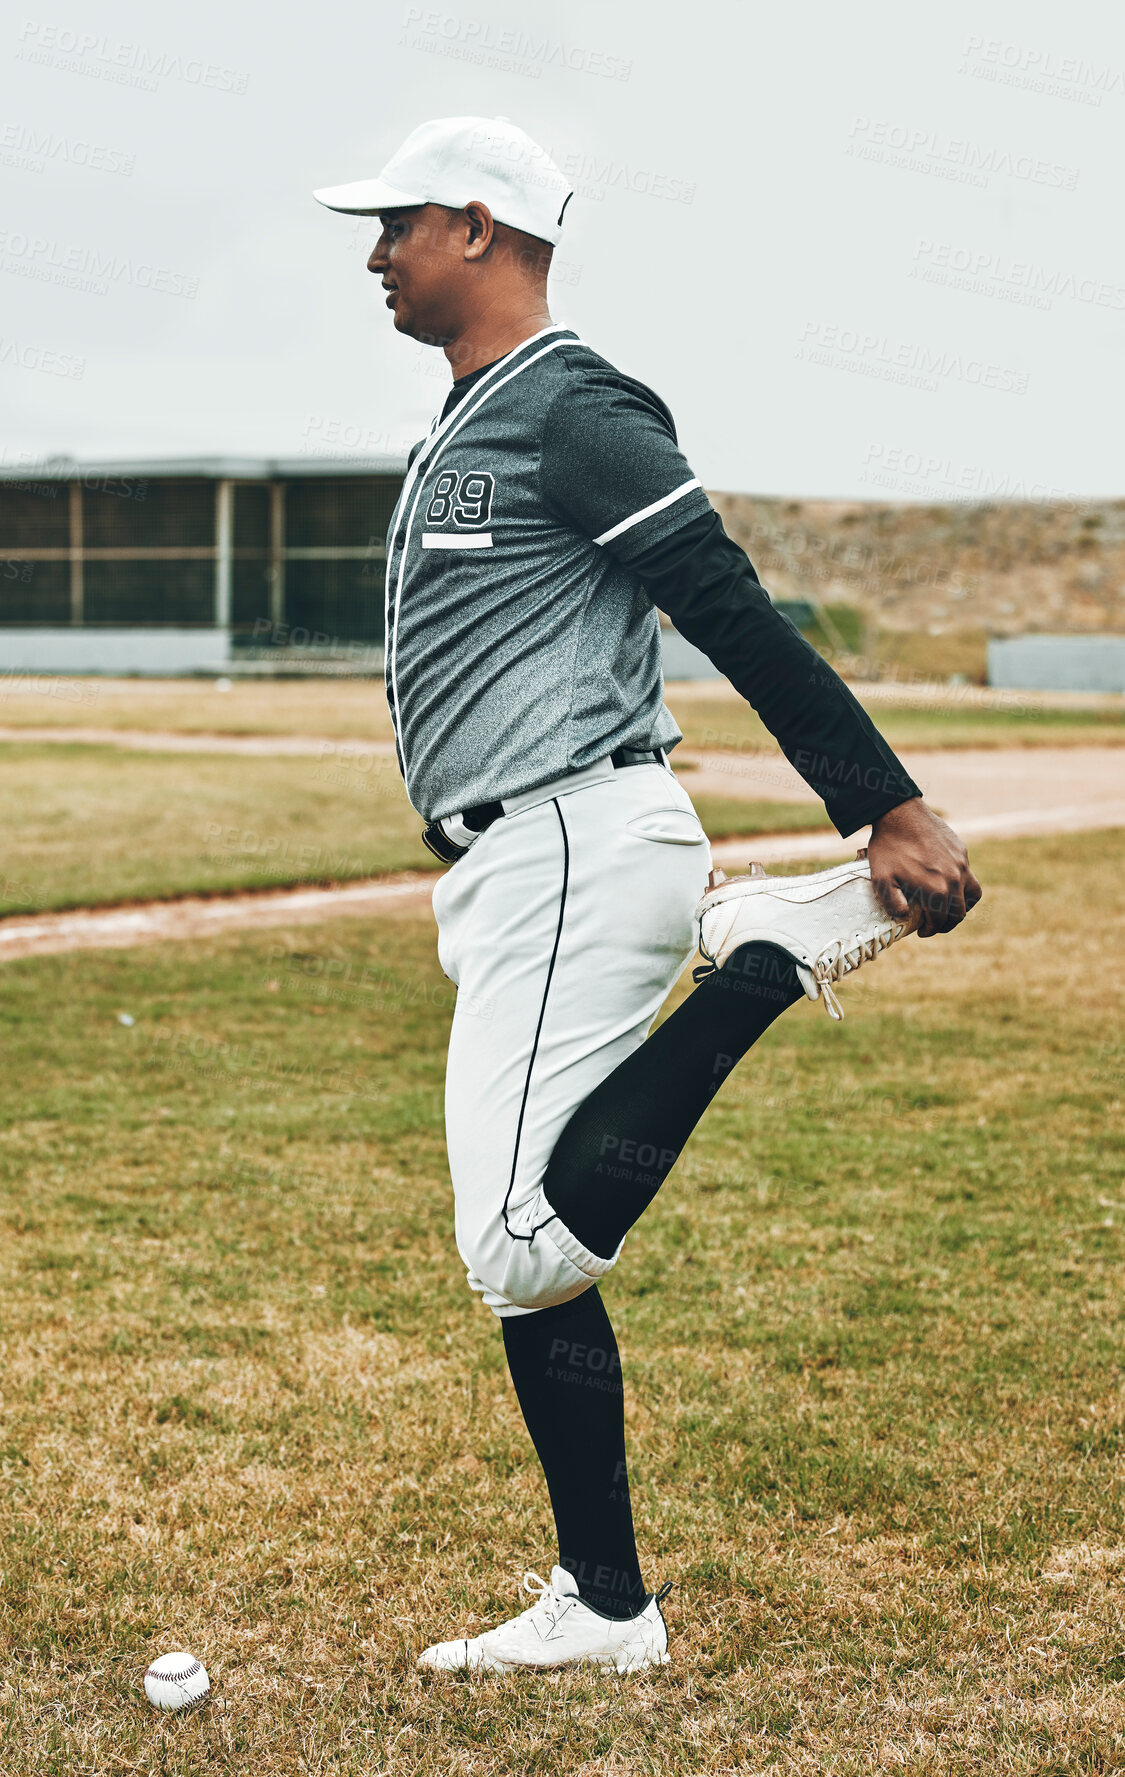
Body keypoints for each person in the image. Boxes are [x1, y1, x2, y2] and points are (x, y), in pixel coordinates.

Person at [313, 116, 981, 1675]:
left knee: (525, 1241)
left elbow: (726, 605)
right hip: (509, 868)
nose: (372, 254)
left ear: (476, 228)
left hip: (576, 840)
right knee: (520, 1250)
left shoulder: (574, 407)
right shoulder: (470, 416)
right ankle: (606, 1605)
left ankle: (755, 960)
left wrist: (881, 802)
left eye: (394, 225)